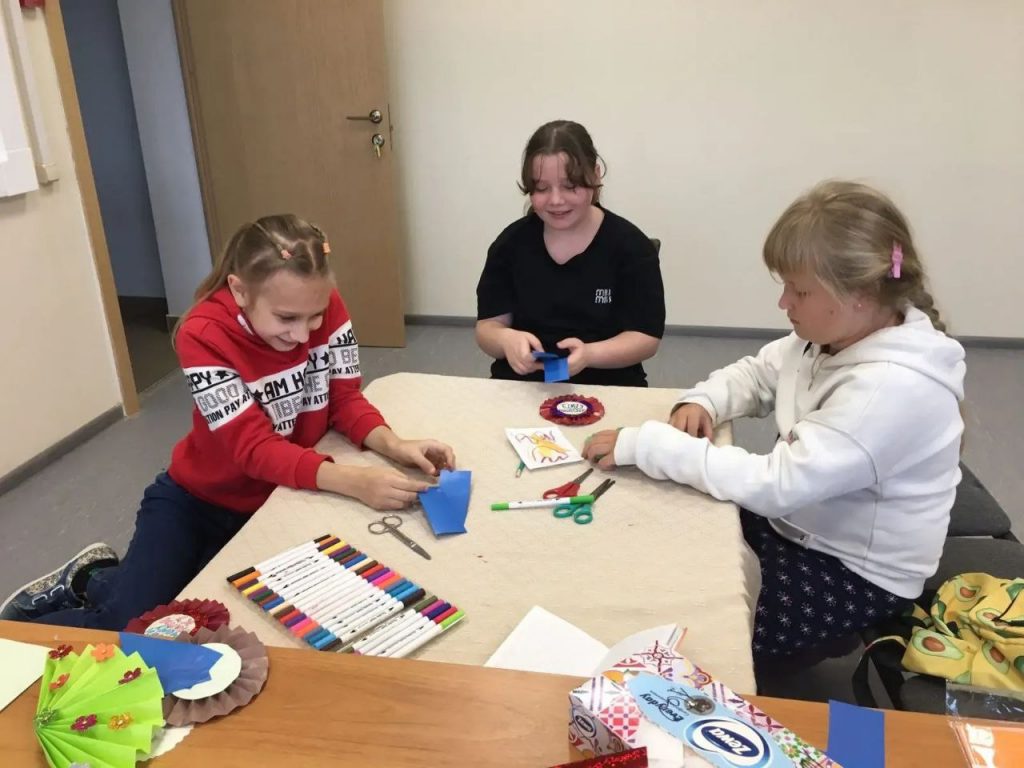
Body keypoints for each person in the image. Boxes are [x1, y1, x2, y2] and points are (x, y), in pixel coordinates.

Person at [1, 215, 455, 629]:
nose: (303, 334)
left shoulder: (320, 301)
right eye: (286, 319)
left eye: (315, 316)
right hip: (195, 502)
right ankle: (30, 627)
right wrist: (354, 481)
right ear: (239, 291)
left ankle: (94, 579)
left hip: (276, 499)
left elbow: (344, 399)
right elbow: (253, 449)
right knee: (136, 626)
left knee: (217, 616)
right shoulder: (203, 332)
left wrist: (395, 445)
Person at [583, 181, 965, 659]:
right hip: (796, 523)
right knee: (666, 531)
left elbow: (776, 484)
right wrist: (705, 402)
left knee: (695, 637)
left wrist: (648, 445)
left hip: (852, 572)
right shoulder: (835, 333)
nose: (785, 303)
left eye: (799, 290)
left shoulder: (890, 390)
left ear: (860, 293)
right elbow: (759, 374)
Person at [475, 120, 665, 387]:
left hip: (608, 384)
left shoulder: (631, 247)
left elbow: (646, 338)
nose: (556, 200)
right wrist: (506, 340)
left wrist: (589, 355)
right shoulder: (510, 245)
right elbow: (487, 327)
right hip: (523, 384)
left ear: (595, 175)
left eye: (570, 185)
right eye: (542, 189)